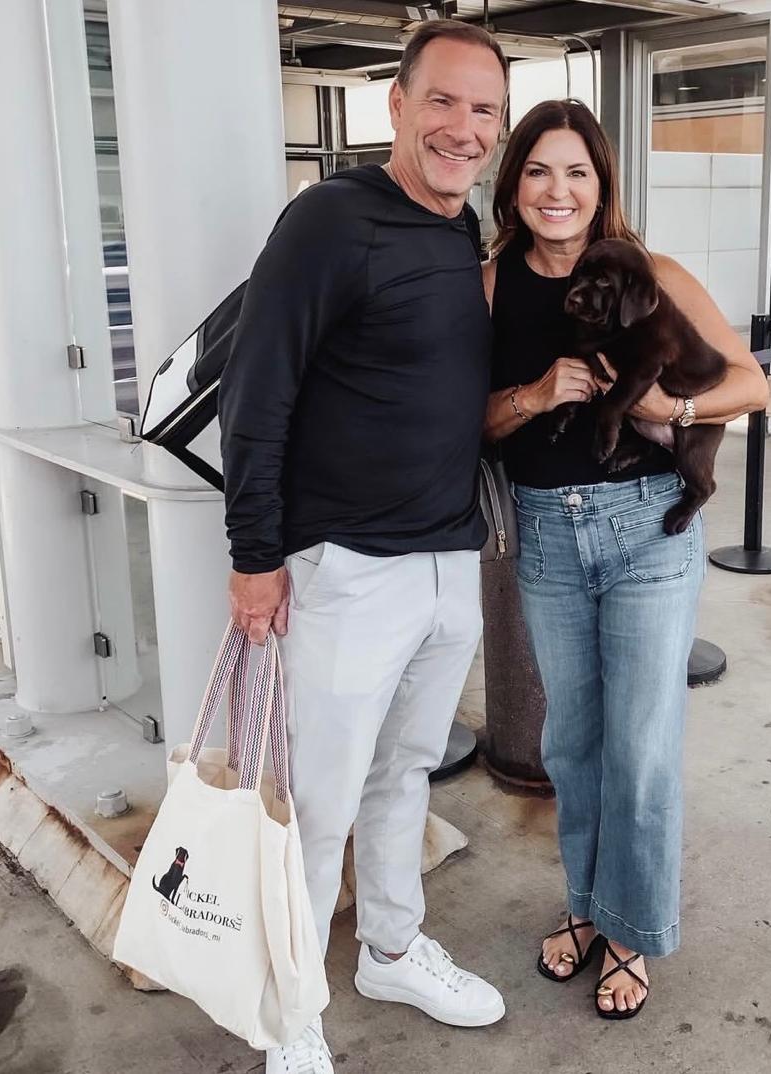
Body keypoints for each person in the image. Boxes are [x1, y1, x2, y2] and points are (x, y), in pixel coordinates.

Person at [219, 22, 508, 1073]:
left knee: (404, 778)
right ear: (397, 104)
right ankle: (289, 1010)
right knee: (323, 803)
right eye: (443, 102)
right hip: (345, 570)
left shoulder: (460, 231)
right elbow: (258, 395)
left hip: (447, 562)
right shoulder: (330, 222)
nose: (462, 129)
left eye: (483, 111)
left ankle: (389, 946)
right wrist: (256, 556)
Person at [482, 100, 769, 1020]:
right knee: (574, 744)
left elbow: (751, 381)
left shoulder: (655, 273)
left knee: (641, 750)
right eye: (538, 171)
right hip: (548, 535)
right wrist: (531, 396)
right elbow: (470, 425)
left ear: (602, 184)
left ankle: (632, 930)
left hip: (650, 528)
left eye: (577, 173)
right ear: (514, 184)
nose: (557, 191)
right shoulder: (488, 287)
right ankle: (584, 906)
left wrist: (671, 416)